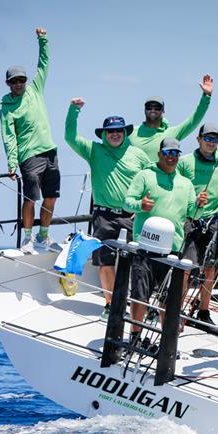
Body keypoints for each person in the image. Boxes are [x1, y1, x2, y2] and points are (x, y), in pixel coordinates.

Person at [64, 98, 150, 320]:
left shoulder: (138, 155)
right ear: (104, 134)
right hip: (104, 216)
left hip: (133, 216)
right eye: (110, 131)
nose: (115, 134)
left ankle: (140, 306)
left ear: (125, 132)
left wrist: (142, 205)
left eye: (119, 130)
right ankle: (110, 304)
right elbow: (70, 137)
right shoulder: (94, 150)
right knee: (106, 262)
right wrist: (74, 110)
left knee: (139, 264)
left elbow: (151, 180)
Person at [124, 138, 199, 341]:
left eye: (175, 153)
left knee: (169, 300)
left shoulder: (186, 184)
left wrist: (200, 204)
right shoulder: (144, 175)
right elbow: (127, 202)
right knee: (140, 295)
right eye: (167, 152)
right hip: (145, 247)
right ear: (159, 154)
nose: (171, 157)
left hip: (172, 250)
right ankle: (135, 336)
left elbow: (194, 213)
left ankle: (167, 341)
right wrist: (141, 204)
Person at [0, 27, 60, 254]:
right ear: (8, 83)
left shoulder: (35, 89)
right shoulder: (7, 108)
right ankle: (27, 239)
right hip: (29, 156)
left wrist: (43, 39)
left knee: (51, 197)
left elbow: (43, 63)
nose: (19, 83)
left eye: (22, 79)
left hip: (50, 151)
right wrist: (12, 164)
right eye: (14, 81)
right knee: (31, 198)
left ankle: (43, 237)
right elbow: (9, 137)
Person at [177, 123, 218, 324]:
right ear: (199, 139)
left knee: (209, 269)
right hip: (189, 220)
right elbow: (177, 189)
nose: (211, 142)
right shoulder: (185, 162)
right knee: (185, 268)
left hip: (212, 223)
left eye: (215, 139)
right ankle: (176, 310)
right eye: (207, 138)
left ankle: (204, 312)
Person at [129, 75, 213, 162]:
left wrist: (206, 96)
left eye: (157, 107)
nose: (153, 110)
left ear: (163, 111)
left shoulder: (171, 134)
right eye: (149, 107)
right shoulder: (131, 132)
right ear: (144, 110)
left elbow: (194, 120)